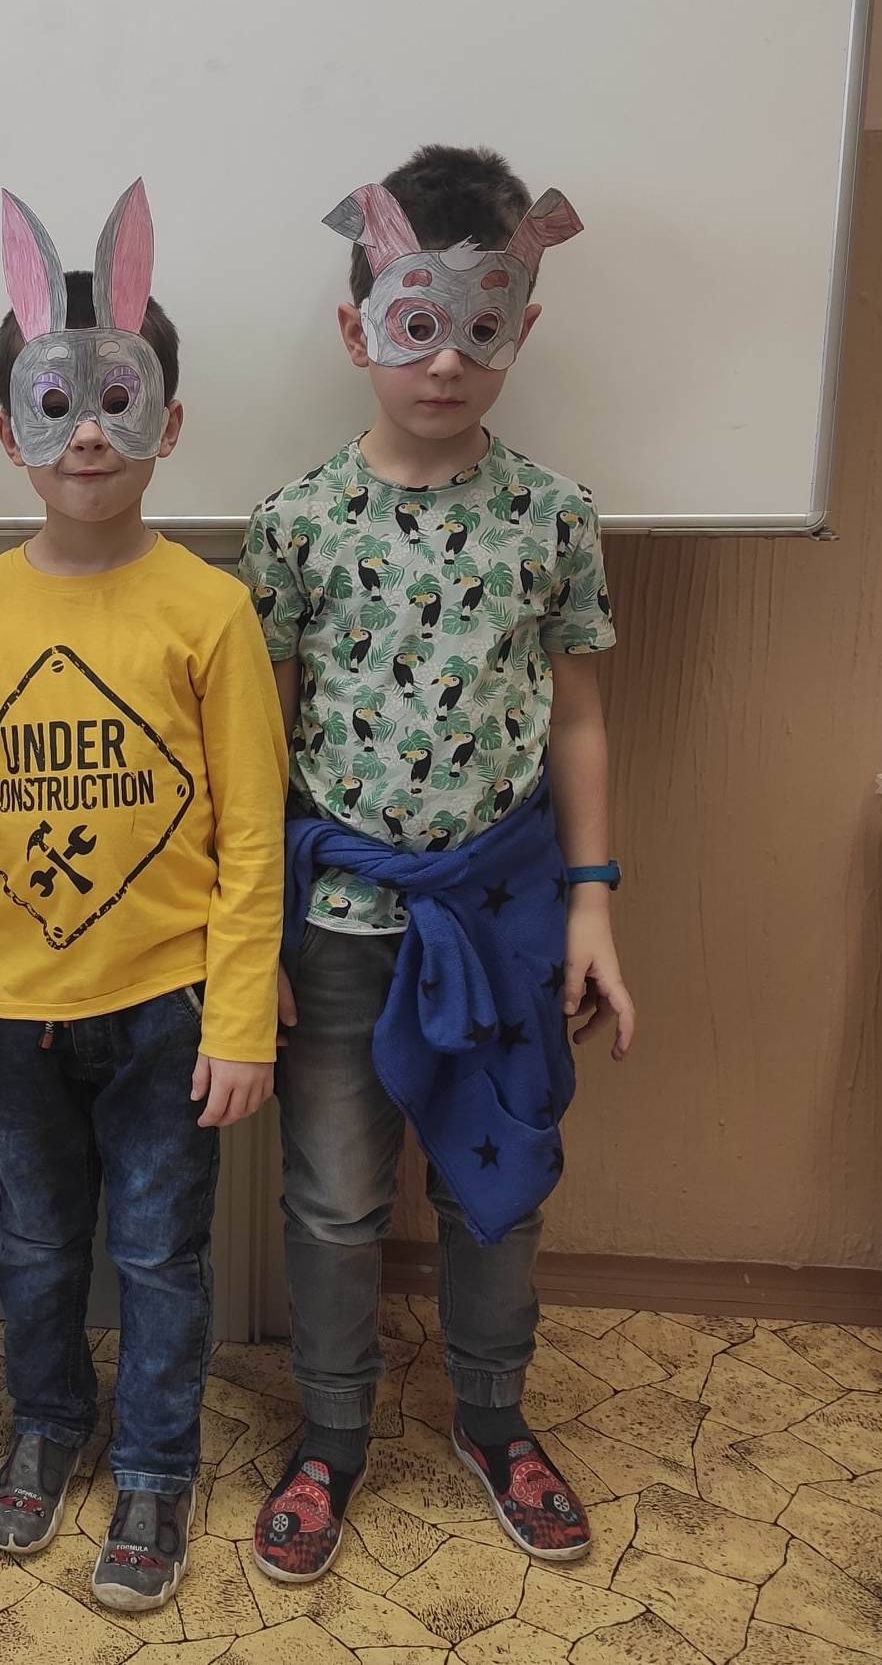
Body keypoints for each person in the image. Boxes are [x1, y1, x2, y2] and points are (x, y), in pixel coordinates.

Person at [239, 145, 637, 1583]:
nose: (448, 359)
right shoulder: (294, 524)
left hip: (504, 912)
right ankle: (331, 1430)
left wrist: (591, 903)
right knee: (333, 1194)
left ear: (521, 324)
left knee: (495, 1180)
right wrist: (254, 936)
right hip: (339, 920)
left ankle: (490, 1413)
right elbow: (259, 746)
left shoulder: (552, 515)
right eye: (417, 323)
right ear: (359, 327)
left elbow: (578, 716)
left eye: (482, 326)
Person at [0, 181, 288, 1613]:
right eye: (53, 403)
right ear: (9, 426)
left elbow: (250, 830)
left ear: (167, 423)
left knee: (159, 1249)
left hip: (165, 1006)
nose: (84, 433)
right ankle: (48, 1422)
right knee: (33, 1240)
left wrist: (237, 1017)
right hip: (13, 1010)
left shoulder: (210, 609)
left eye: (116, 401)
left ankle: (154, 1462)